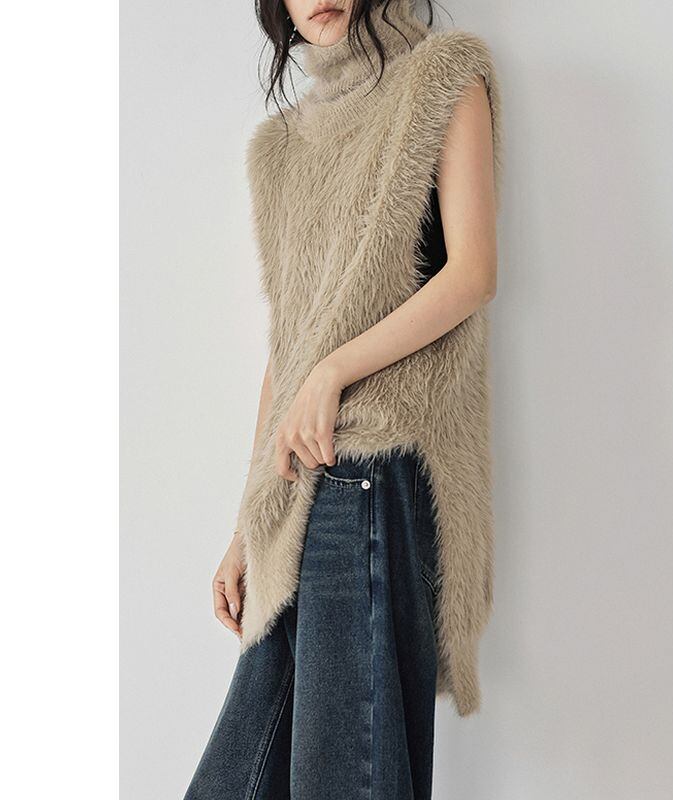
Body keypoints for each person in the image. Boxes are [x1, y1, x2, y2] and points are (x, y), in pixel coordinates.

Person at [185, 1, 503, 797]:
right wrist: (244, 526)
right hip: (295, 491)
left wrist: (332, 372)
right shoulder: (280, 148)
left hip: (372, 472)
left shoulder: (442, 77)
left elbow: (472, 273)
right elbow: (288, 347)